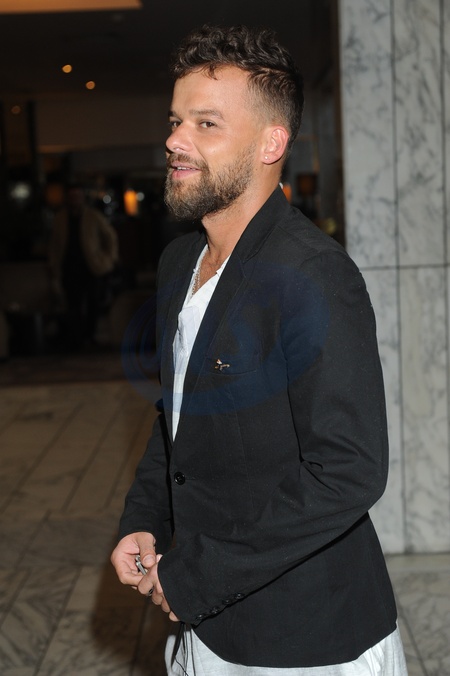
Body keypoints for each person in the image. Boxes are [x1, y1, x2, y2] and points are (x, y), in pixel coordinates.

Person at [111, 25, 408, 675]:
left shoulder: (314, 274)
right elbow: (179, 415)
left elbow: (349, 470)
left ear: (271, 143)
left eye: (206, 123)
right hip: (207, 623)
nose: (174, 140)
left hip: (304, 637)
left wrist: (199, 575)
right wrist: (145, 517)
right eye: (176, 121)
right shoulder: (179, 261)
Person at [48, 182, 118, 349]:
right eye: (72, 196)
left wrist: (109, 258)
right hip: (69, 266)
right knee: (73, 304)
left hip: (91, 266)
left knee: (93, 303)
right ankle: (77, 338)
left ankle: (90, 336)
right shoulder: (60, 218)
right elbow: (54, 244)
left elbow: (110, 237)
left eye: (77, 196)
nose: (75, 199)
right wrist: (54, 265)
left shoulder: (93, 216)